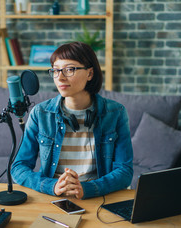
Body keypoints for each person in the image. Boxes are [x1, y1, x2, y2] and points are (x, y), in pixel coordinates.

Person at [11, 42, 133, 199]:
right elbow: (19, 167)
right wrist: (51, 186)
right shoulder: (40, 114)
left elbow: (125, 171)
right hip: (54, 197)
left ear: (90, 73)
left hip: (97, 196)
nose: (60, 77)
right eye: (55, 70)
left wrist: (88, 188)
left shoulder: (115, 113)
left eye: (69, 69)